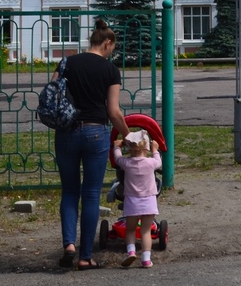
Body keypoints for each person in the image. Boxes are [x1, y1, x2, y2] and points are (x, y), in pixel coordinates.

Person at [56, 19, 128, 270]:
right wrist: (127, 135)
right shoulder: (110, 70)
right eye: (113, 48)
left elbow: (53, 93)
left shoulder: (67, 62)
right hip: (96, 133)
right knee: (90, 195)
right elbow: (114, 111)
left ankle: (69, 245)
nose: (112, 52)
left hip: (66, 132)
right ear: (107, 43)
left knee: (69, 191)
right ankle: (86, 257)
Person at [113, 127, 162, 268]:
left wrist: (117, 146)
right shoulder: (151, 163)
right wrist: (155, 149)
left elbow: (117, 158)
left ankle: (131, 252)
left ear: (129, 149)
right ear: (146, 148)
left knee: (130, 229)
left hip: (132, 201)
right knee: (146, 231)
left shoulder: (127, 164)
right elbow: (158, 161)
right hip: (149, 202)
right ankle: (146, 259)